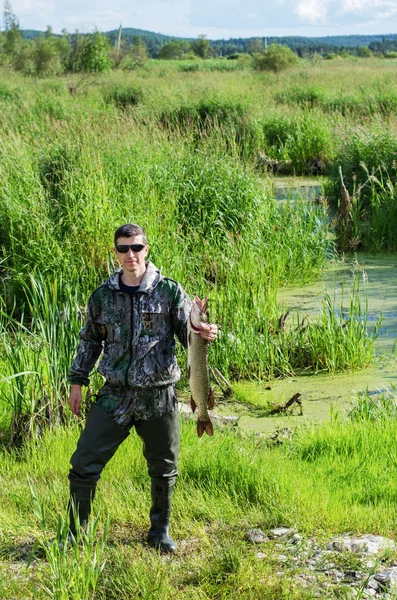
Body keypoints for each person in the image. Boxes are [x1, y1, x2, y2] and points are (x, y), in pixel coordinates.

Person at [66, 223, 218, 553]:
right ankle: (76, 532)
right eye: (123, 249)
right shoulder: (103, 296)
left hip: (159, 395)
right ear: (116, 253)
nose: (130, 254)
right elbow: (89, 341)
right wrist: (77, 381)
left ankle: (159, 532)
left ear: (146, 249)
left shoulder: (169, 291)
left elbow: (188, 336)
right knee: (83, 463)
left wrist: (203, 330)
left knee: (164, 467)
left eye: (136, 247)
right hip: (115, 394)